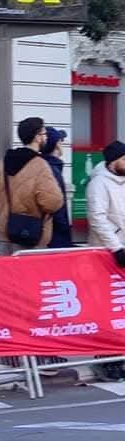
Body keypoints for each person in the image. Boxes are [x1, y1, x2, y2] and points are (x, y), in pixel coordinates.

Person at [0, 117, 64, 254]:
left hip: (7, 235)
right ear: (37, 137)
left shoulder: (1, 164)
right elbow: (53, 202)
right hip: (33, 236)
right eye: (44, 134)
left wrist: (7, 213)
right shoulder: (40, 166)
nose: (46, 137)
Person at [86, 141, 125, 380]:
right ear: (114, 161)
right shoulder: (99, 184)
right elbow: (98, 218)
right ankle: (105, 357)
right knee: (106, 307)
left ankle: (119, 354)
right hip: (107, 254)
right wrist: (116, 247)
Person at [42, 127, 73, 249]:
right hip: (56, 235)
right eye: (61, 141)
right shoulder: (52, 169)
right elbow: (57, 206)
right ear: (57, 145)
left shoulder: (47, 166)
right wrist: (64, 229)